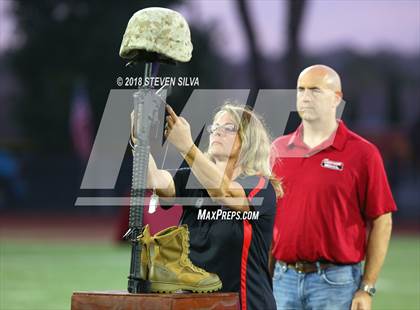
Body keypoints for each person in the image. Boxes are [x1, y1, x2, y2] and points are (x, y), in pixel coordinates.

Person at [131, 102, 282, 310]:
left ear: (249, 140)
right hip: (199, 304)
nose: (217, 132)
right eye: (214, 127)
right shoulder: (192, 179)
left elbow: (222, 191)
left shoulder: (260, 186)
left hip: (246, 304)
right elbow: (153, 180)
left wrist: (187, 147)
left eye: (228, 128)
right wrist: (140, 140)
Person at [270, 65, 397, 310]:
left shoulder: (363, 153)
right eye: (301, 89)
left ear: (336, 99)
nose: (305, 96)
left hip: (335, 282)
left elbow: (382, 220)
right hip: (281, 278)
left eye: (315, 90)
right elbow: (269, 220)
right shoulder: (277, 150)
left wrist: (367, 287)